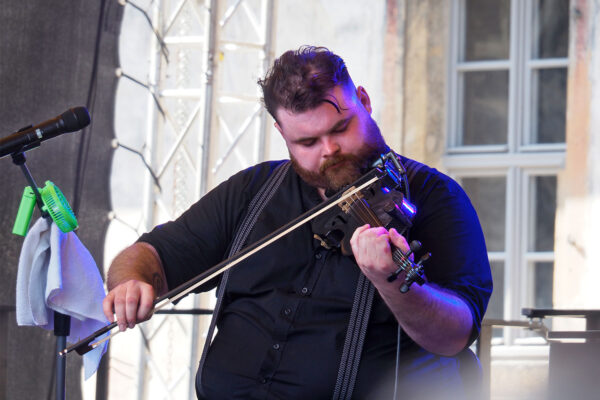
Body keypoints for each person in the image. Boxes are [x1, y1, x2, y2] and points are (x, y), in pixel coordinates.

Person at [102, 46, 492, 399]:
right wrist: (130, 282)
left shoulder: (435, 198)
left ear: (364, 101)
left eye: (341, 128)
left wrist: (393, 281)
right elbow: (150, 253)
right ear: (282, 133)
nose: (330, 150)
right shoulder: (253, 191)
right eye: (307, 143)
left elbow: (455, 336)